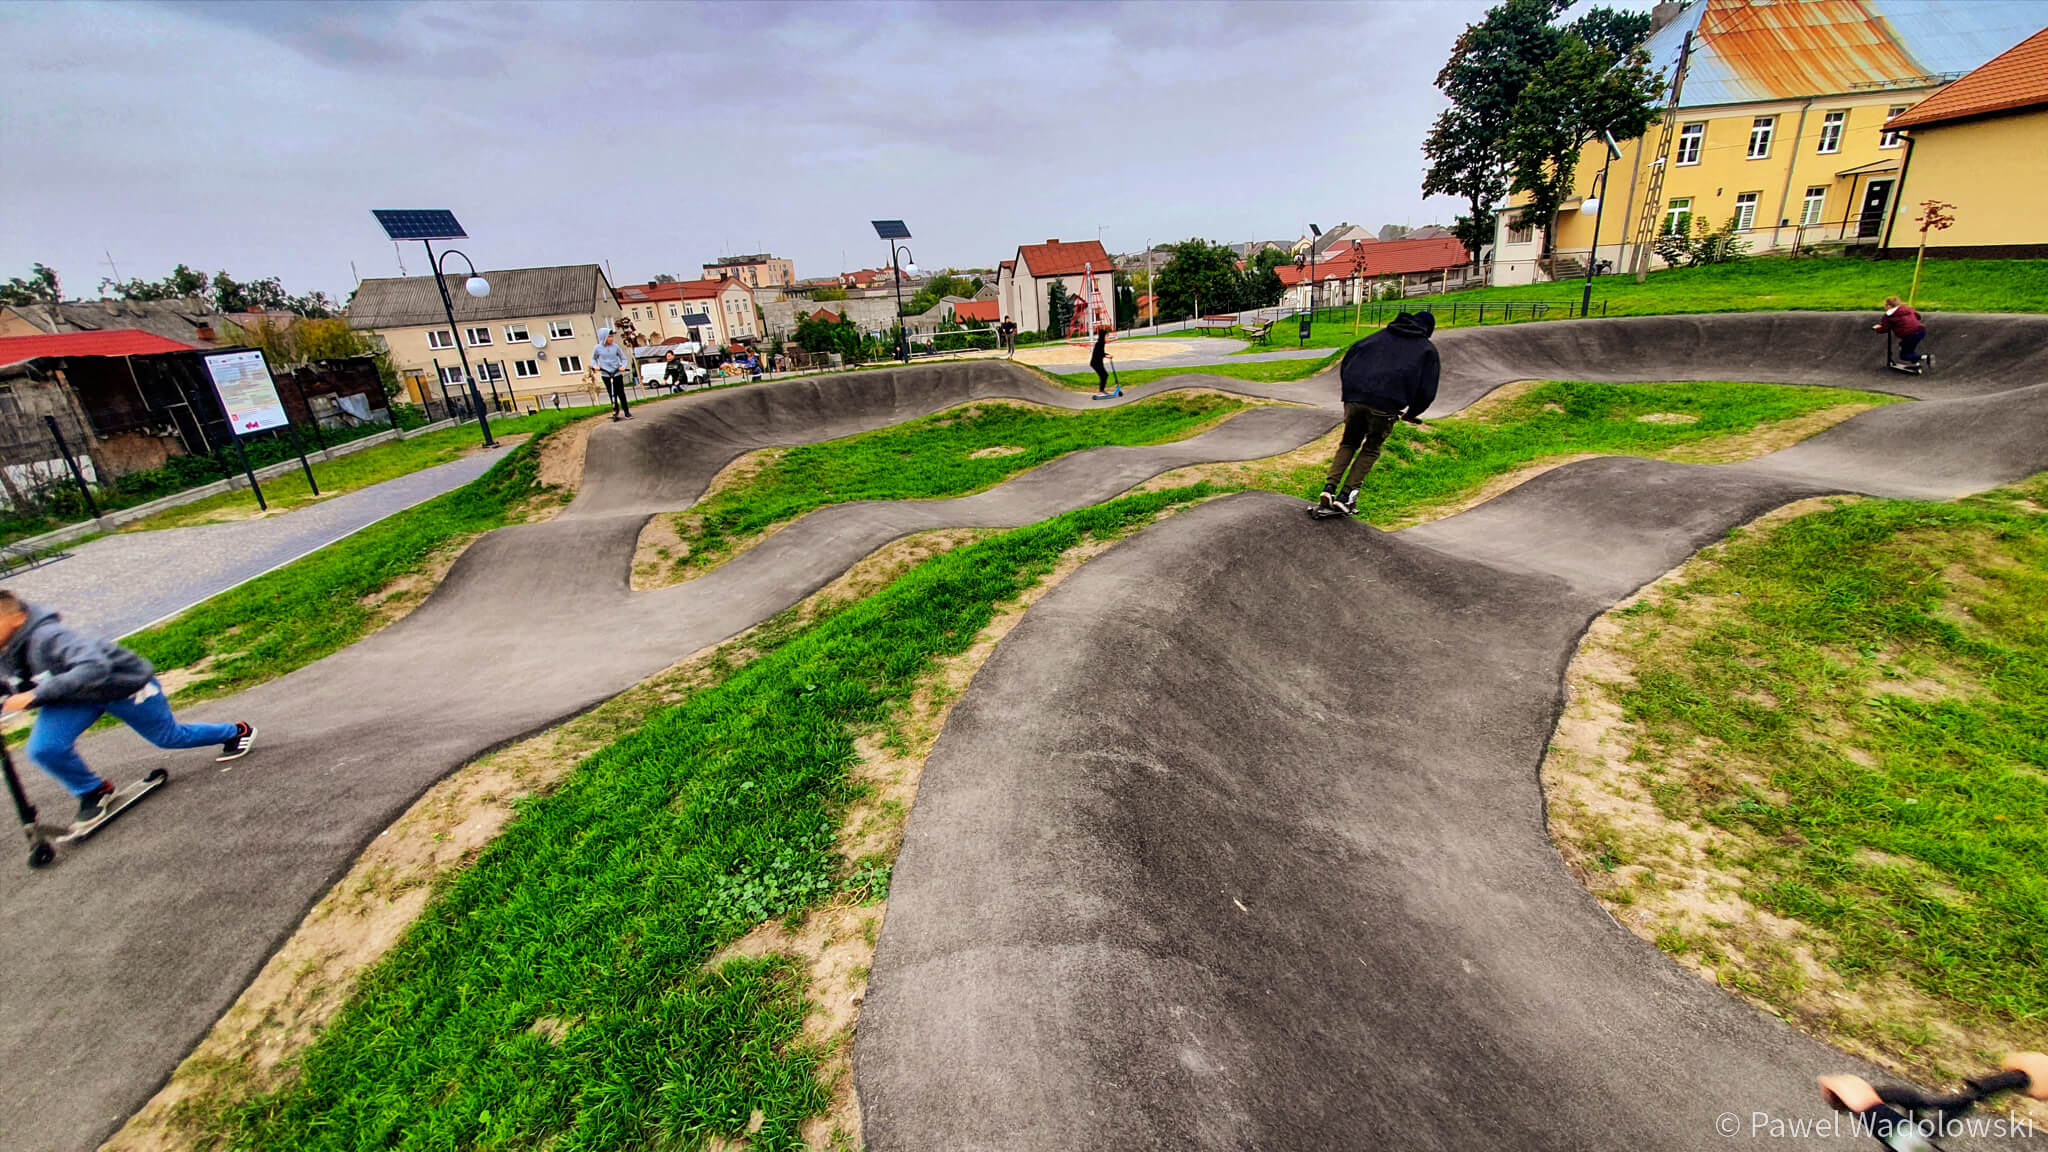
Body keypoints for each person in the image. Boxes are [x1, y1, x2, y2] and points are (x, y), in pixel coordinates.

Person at [0, 592, 254, 824]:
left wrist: (36, 695)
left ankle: (236, 732)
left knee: (170, 737)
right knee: (44, 748)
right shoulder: (5, 650)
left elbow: (94, 667)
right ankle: (93, 791)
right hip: (76, 696)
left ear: (18, 618)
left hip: (122, 686)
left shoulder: (50, 636)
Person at [1320, 310, 1439, 515]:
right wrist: (1412, 412)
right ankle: (1345, 497)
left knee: (1349, 442)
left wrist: (1351, 394)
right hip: (1386, 405)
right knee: (1371, 448)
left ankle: (1329, 488)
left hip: (1354, 398)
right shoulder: (1427, 350)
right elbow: (1427, 390)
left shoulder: (1376, 338)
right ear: (1428, 330)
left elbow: (1348, 360)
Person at [1873, 295, 1929, 371]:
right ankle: (1916, 364)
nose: (1884, 307)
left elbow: (1884, 329)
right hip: (1921, 331)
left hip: (1910, 335)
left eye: (1885, 305)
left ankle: (1925, 357)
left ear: (1889, 306)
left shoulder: (1888, 316)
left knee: (1904, 355)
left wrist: (1877, 328)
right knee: (1907, 348)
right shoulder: (1907, 309)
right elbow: (1918, 316)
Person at [593, 327, 633, 420]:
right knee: (612, 394)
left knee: (621, 394)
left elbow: (623, 358)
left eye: (612, 336)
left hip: (616, 373)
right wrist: (595, 366)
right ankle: (615, 411)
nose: (611, 338)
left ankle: (626, 411)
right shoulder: (597, 348)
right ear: (604, 337)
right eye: (609, 337)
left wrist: (623, 366)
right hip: (606, 374)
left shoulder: (615, 347)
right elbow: (593, 359)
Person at [1090, 326, 1113, 396]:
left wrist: (1107, 355)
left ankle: (1101, 390)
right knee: (1104, 375)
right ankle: (1101, 391)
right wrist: (1106, 356)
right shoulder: (1099, 343)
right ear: (1103, 337)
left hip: (1098, 362)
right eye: (1107, 336)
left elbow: (1101, 353)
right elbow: (1098, 353)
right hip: (1095, 363)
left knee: (1104, 375)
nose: (1108, 338)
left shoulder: (1101, 343)